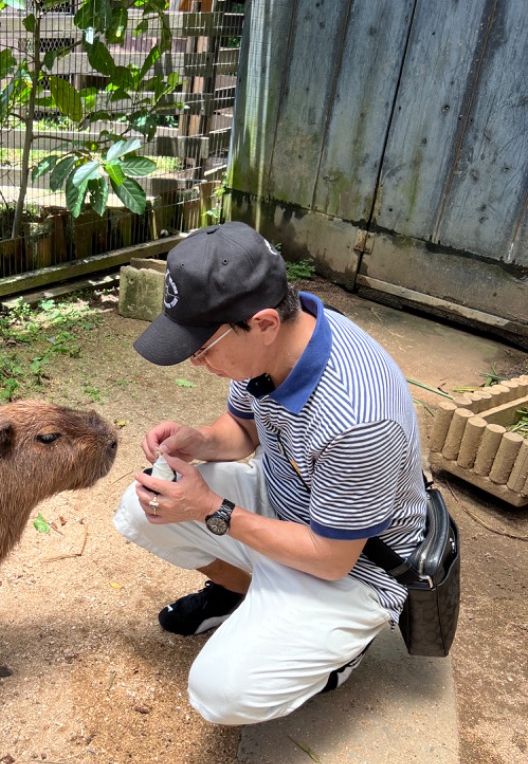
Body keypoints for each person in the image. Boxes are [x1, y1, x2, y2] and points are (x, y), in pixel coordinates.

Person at [113, 221, 427, 726]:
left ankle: (338, 655)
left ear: (262, 323)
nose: (195, 363)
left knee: (220, 693)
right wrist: (202, 441)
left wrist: (212, 510)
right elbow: (243, 428)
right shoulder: (280, 343)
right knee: (144, 505)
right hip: (289, 507)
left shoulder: (360, 420)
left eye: (203, 347)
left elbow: (330, 559)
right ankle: (245, 593)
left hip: (355, 564)